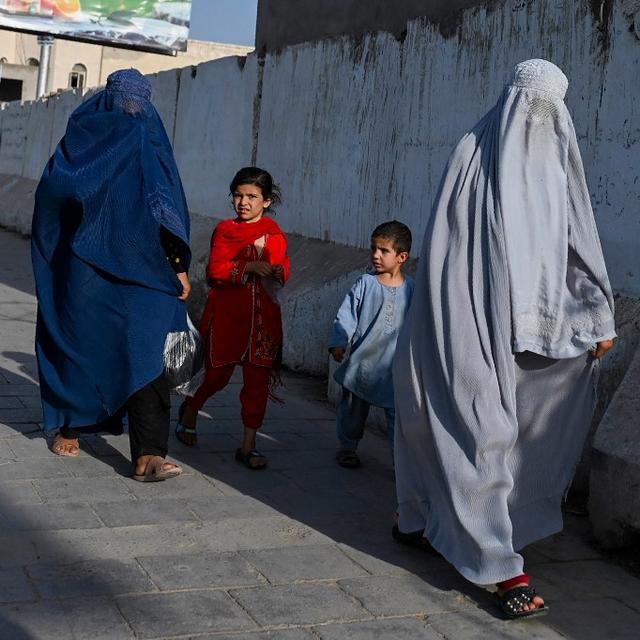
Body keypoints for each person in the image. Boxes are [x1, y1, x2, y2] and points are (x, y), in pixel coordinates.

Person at [392, 60, 616, 619]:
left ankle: (424, 520)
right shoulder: (472, 155)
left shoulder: (556, 163)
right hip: (464, 316)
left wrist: (597, 318)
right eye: (529, 103)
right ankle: (499, 566)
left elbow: (578, 241)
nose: (536, 118)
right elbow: (450, 249)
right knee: (473, 426)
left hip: (531, 324)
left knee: (515, 429)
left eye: (548, 109)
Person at [32, 69, 192, 482]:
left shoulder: (148, 138)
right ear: (109, 99)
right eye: (124, 99)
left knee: (148, 352)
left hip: (147, 268)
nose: (131, 109)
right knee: (84, 341)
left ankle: (149, 454)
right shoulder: (83, 137)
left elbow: (165, 203)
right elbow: (53, 192)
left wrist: (178, 265)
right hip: (87, 265)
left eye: (139, 101)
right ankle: (71, 423)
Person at [175, 167, 290, 470]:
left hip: (263, 321)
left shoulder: (275, 234)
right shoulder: (225, 230)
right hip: (227, 316)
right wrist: (249, 268)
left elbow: (282, 269)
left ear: (266, 201)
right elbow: (215, 271)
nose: (244, 202)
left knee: (256, 382)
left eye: (252, 196)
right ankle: (190, 409)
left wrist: (278, 272)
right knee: (216, 376)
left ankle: (249, 445)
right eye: (238, 195)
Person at [329, 221, 414, 469]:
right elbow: (346, 315)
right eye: (373, 249)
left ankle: (401, 463)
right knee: (353, 414)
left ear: (402, 256)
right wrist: (339, 341)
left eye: (383, 251)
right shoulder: (365, 284)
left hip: (394, 370)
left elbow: (419, 327)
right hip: (362, 366)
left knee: (397, 420)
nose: (376, 255)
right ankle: (347, 447)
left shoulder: (412, 289)